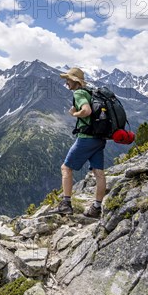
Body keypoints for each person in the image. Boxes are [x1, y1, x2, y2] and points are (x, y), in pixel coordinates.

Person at [56, 67, 106, 218]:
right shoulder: (91, 92)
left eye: (68, 80)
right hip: (99, 138)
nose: (66, 83)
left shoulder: (79, 93)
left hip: (86, 139)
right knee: (99, 173)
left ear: (74, 81)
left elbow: (87, 111)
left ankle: (66, 204)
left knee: (66, 168)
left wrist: (74, 114)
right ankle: (97, 207)